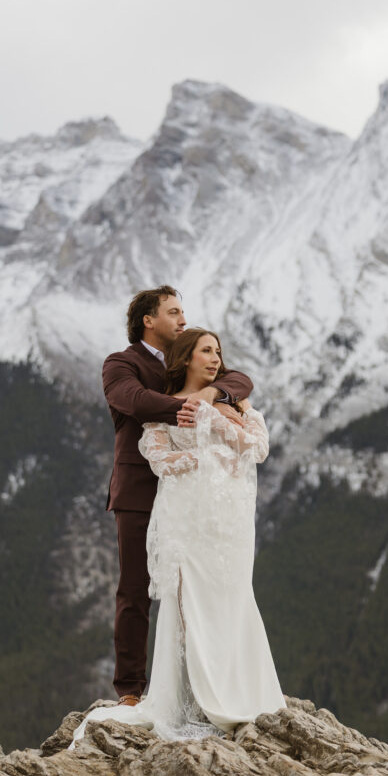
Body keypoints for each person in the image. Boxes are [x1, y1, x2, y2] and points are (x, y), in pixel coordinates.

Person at [70, 328, 285, 745]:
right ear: (186, 358)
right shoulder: (166, 409)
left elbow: (256, 447)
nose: (215, 359)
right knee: (187, 599)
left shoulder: (232, 399)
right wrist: (198, 445)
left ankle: (236, 687)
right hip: (186, 518)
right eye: (206, 351)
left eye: (218, 351)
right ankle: (189, 698)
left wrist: (217, 418)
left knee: (230, 596)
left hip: (228, 521)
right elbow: (158, 457)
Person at [101, 286, 254, 706]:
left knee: (195, 587)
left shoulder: (190, 360)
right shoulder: (121, 363)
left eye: (183, 311)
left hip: (191, 497)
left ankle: (196, 687)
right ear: (148, 320)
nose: (182, 319)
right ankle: (131, 690)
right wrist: (189, 407)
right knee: (135, 588)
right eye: (173, 312)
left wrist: (211, 393)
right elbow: (133, 401)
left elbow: (242, 381)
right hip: (140, 491)